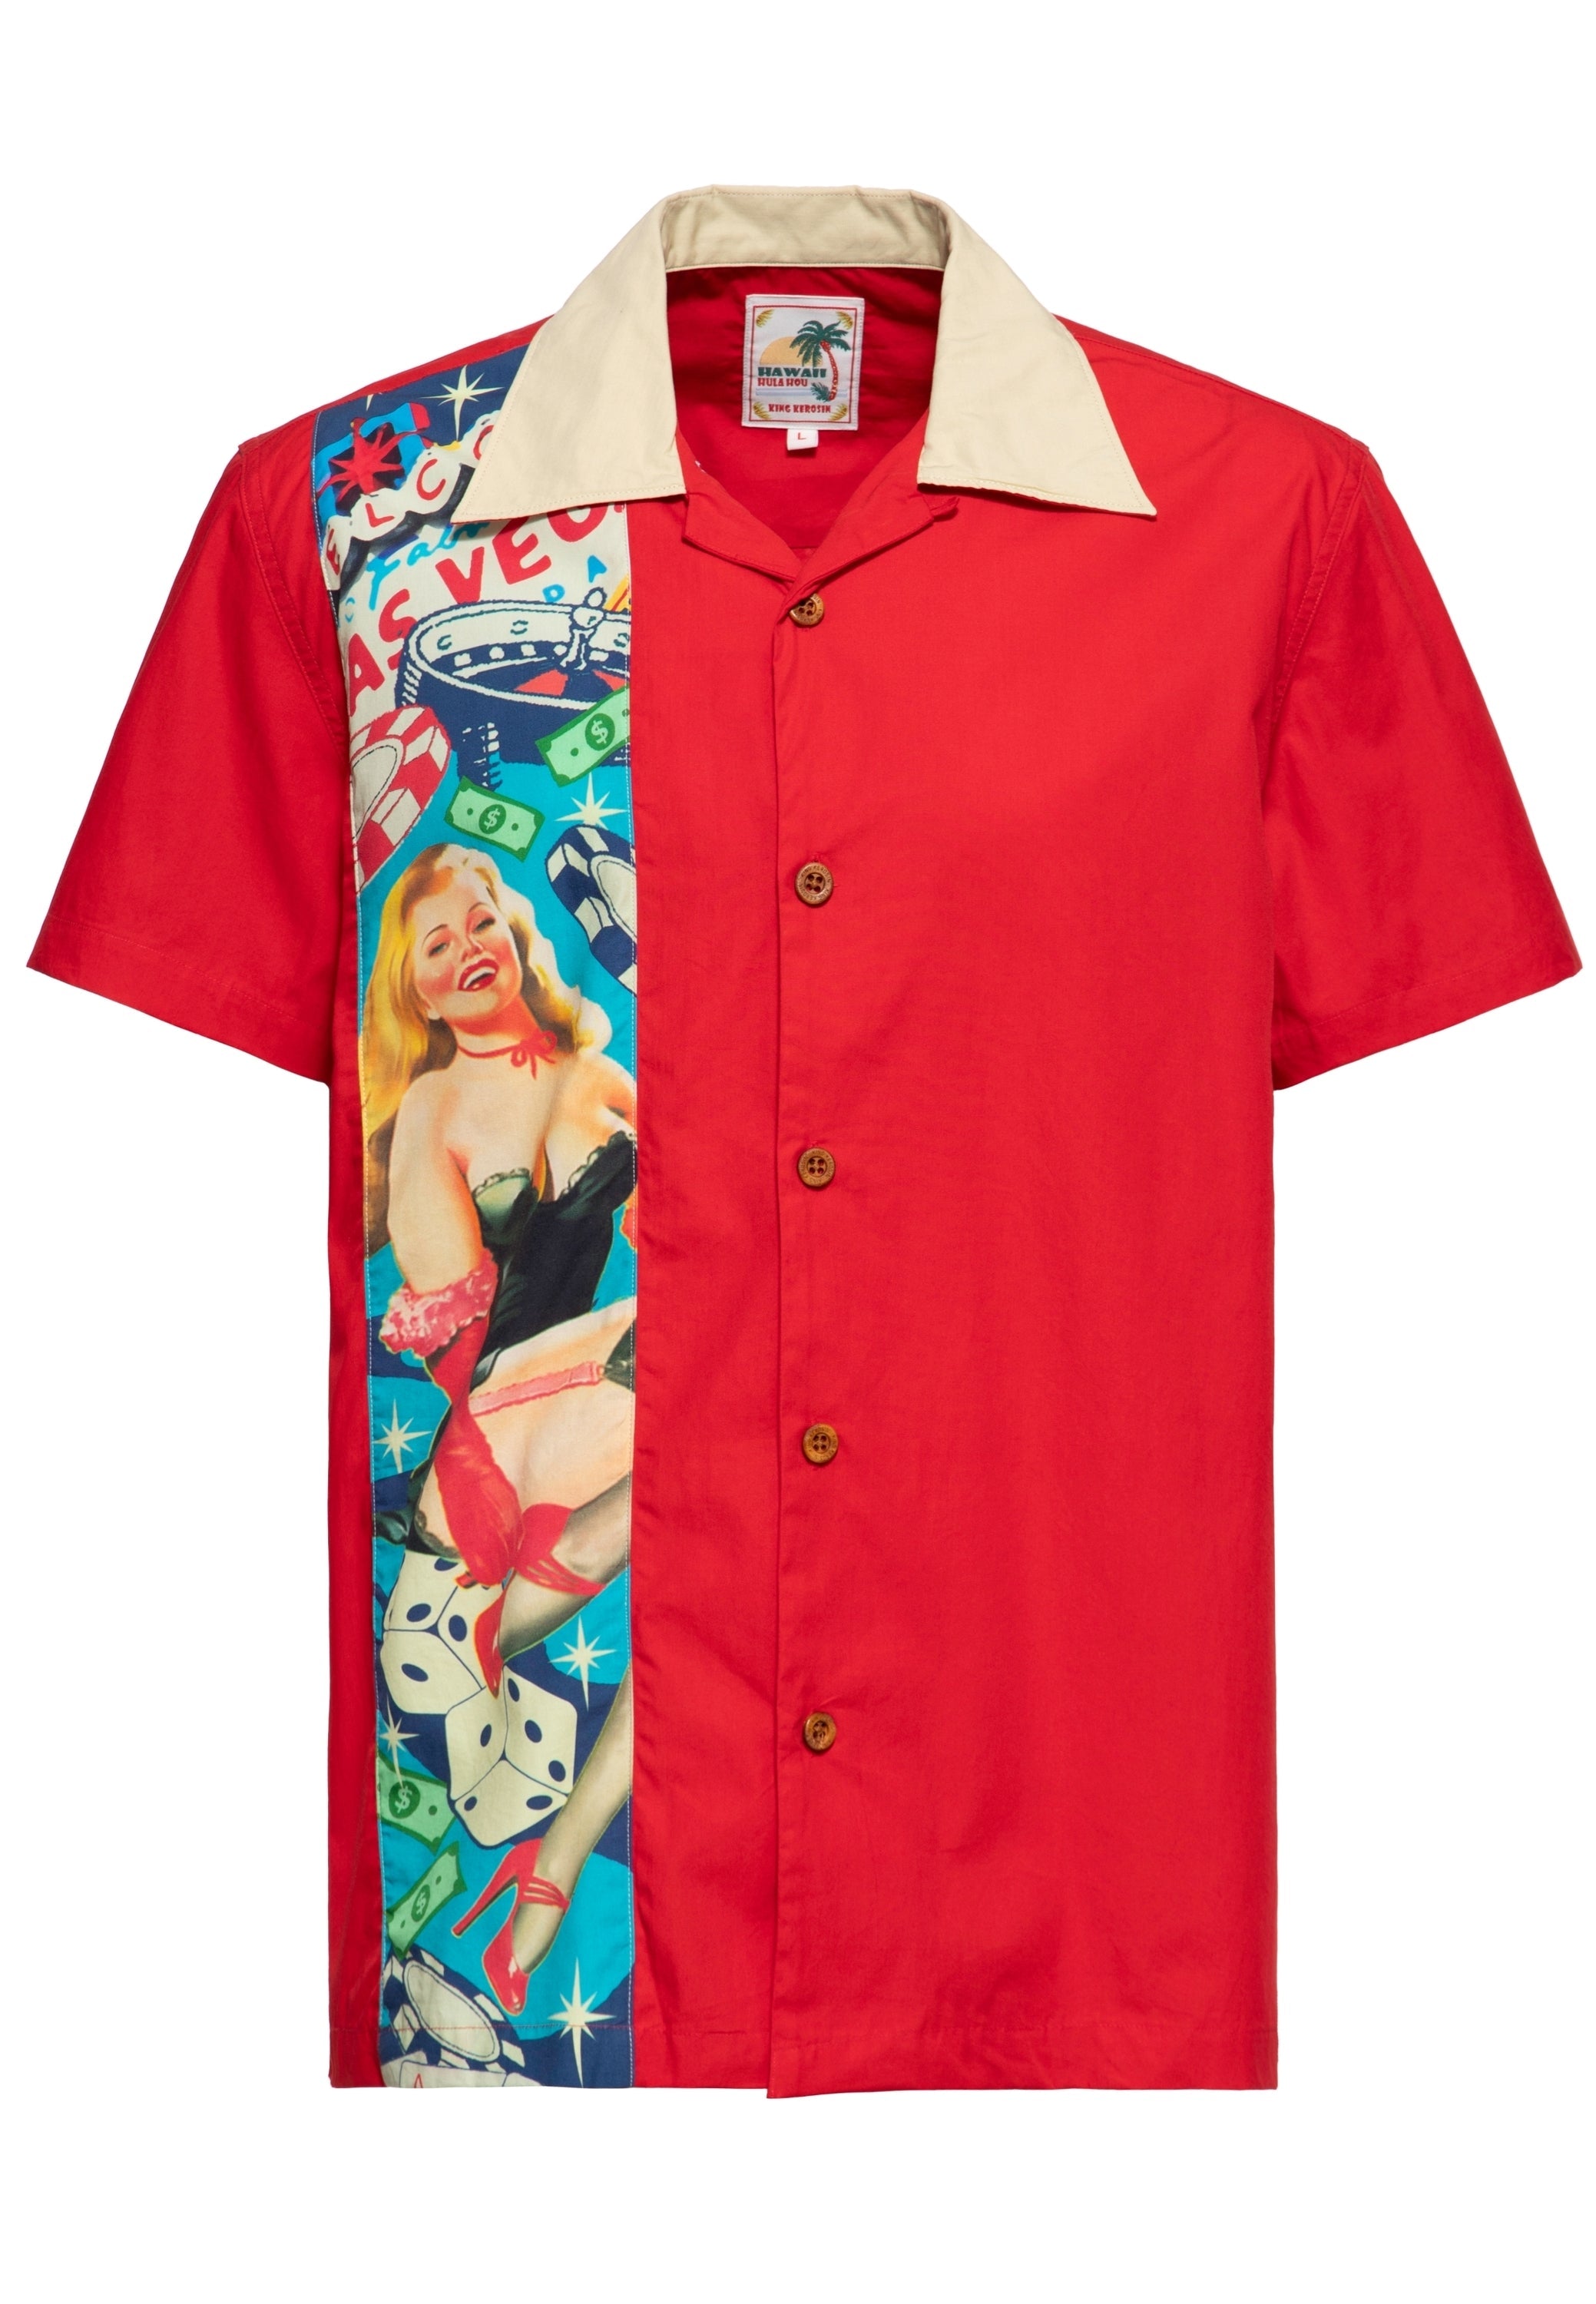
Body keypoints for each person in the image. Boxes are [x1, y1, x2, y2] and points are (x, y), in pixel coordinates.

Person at [362, 841, 637, 2009]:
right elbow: (463, 1352)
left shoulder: (599, 1072)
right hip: (495, 1449)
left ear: (518, 937)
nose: (468, 949)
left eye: (483, 922)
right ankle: (541, 1856)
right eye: (437, 944)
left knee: (722, 1517)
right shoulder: (434, 1108)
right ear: (417, 992)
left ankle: (552, 1869)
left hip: (601, 1417)